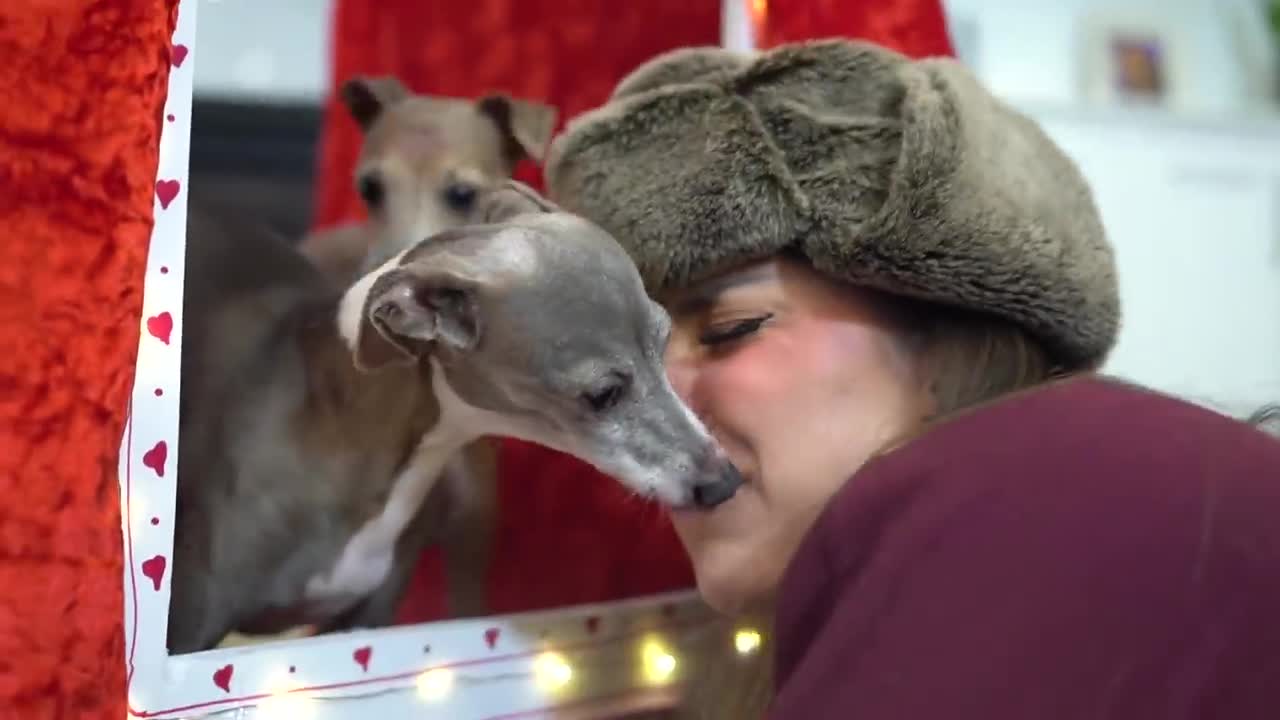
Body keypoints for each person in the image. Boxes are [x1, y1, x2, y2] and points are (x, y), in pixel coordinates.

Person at [543, 39, 1280, 719]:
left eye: (730, 329)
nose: (657, 399)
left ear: (943, 341)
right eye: (641, 352)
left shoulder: (1064, 499)